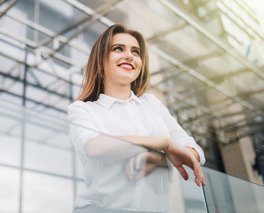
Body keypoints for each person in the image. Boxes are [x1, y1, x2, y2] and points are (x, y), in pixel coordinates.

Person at [67, 24, 205, 212]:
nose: (129, 56)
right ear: (100, 61)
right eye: (118, 49)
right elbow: (94, 147)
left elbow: (193, 150)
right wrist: (164, 144)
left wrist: (157, 155)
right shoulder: (82, 109)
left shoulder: (152, 103)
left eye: (136, 52)